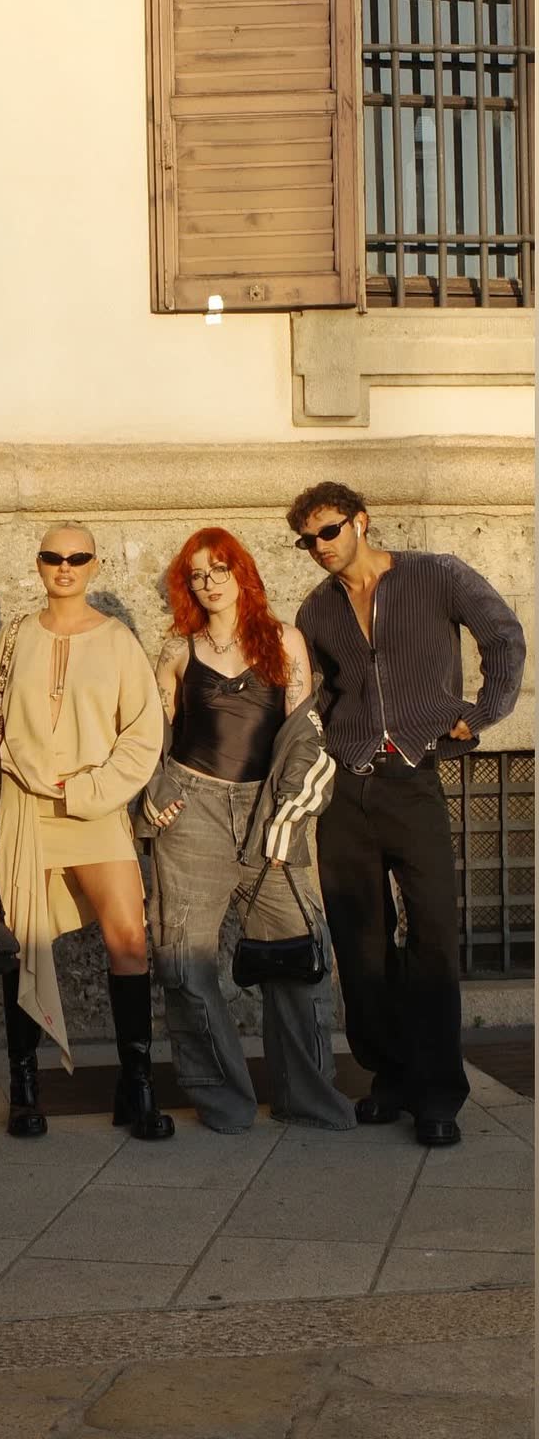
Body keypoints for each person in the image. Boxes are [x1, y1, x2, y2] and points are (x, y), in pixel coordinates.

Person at [287, 482, 526, 1147]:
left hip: (414, 779)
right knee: (360, 943)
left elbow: (502, 635)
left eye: (329, 531)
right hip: (345, 788)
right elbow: (315, 694)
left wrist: (484, 712)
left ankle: (438, 1094)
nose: (319, 546)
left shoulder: (435, 574)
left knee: (433, 937)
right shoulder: (317, 609)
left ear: (361, 522)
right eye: (307, 540)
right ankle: (388, 1077)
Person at [146, 527, 355, 1134]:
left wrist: (290, 815)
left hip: (268, 811)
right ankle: (225, 1102)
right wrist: (155, 791)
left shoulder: (284, 641)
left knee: (298, 955)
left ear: (242, 573)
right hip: (194, 814)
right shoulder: (177, 650)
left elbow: (305, 737)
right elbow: (153, 736)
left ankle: (306, 1097)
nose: (209, 583)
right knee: (185, 962)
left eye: (220, 569)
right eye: (197, 575)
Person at [0, 523, 174, 1142]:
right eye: (53, 556)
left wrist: (88, 789)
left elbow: (143, 734)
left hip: (95, 812)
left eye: (77, 557)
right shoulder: (12, 639)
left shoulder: (118, 640)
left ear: (95, 565)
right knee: (24, 943)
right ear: (39, 563)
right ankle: (24, 1088)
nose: (64, 566)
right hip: (25, 809)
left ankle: (137, 1085)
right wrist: (29, 774)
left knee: (129, 940)